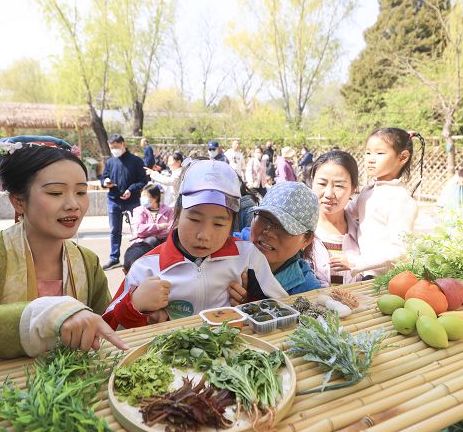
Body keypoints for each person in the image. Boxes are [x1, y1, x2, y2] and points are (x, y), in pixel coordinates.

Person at [0, 137, 128, 362]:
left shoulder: (86, 261)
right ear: (18, 201)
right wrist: (46, 316)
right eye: (56, 193)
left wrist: (136, 308)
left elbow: (106, 329)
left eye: (81, 192)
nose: (73, 204)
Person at [102, 160, 286, 329]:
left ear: (232, 224)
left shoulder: (248, 257)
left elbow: (282, 307)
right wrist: (134, 304)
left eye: (219, 224)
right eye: (195, 219)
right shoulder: (147, 267)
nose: (204, 235)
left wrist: (248, 303)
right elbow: (108, 326)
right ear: (177, 213)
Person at [346, 127, 422, 278]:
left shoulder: (400, 199)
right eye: (368, 152)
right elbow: (346, 213)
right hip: (363, 273)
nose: (371, 159)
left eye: (379, 153)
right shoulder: (368, 191)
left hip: (384, 279)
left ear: (402, 158)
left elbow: (400, 250)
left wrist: (356, 262)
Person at [235, 182, 323, 295]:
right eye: (264, 218)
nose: (269, 233)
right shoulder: (226, 249)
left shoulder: (307, 291)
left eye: (284, 228)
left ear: (307, 240)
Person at [309, 150, 361, 285]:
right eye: (321, 183)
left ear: (353, 188)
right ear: (312, 182)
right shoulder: (298, 231)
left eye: (339, 186)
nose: (329, 193)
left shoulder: (362, 235)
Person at [101, 134, 148, 270]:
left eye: (116, 146)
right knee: (115, 230)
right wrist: (106, 182)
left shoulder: (136, 161)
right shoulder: (110, 162)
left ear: (123, 144)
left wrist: (131, 190)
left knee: (136, 230)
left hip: (132, 201)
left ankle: (136, 257)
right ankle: (114, 258)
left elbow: (143, 181)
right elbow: (104, 177)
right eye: (111, 147)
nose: (114, 149)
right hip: (113, 200)